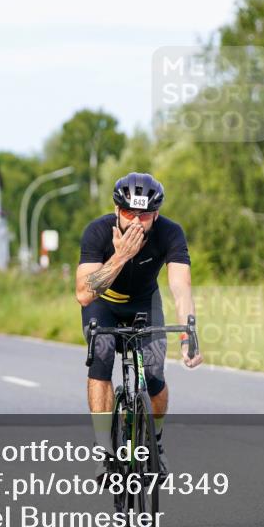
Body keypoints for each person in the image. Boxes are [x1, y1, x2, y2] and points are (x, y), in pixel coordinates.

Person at [75, 172, 201, 476]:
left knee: (155, 373)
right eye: (129, 213)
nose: (135, 221)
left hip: (145, 304)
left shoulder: (170, 233)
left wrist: (189, 336)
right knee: (102, 356)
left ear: (155, 214)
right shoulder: (97, 232)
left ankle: (154, 443)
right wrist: (120, 257)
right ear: (118, 210)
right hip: (103, 305)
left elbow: (181, 287)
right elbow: (83, 294)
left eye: (143, 215)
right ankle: (105, 449)